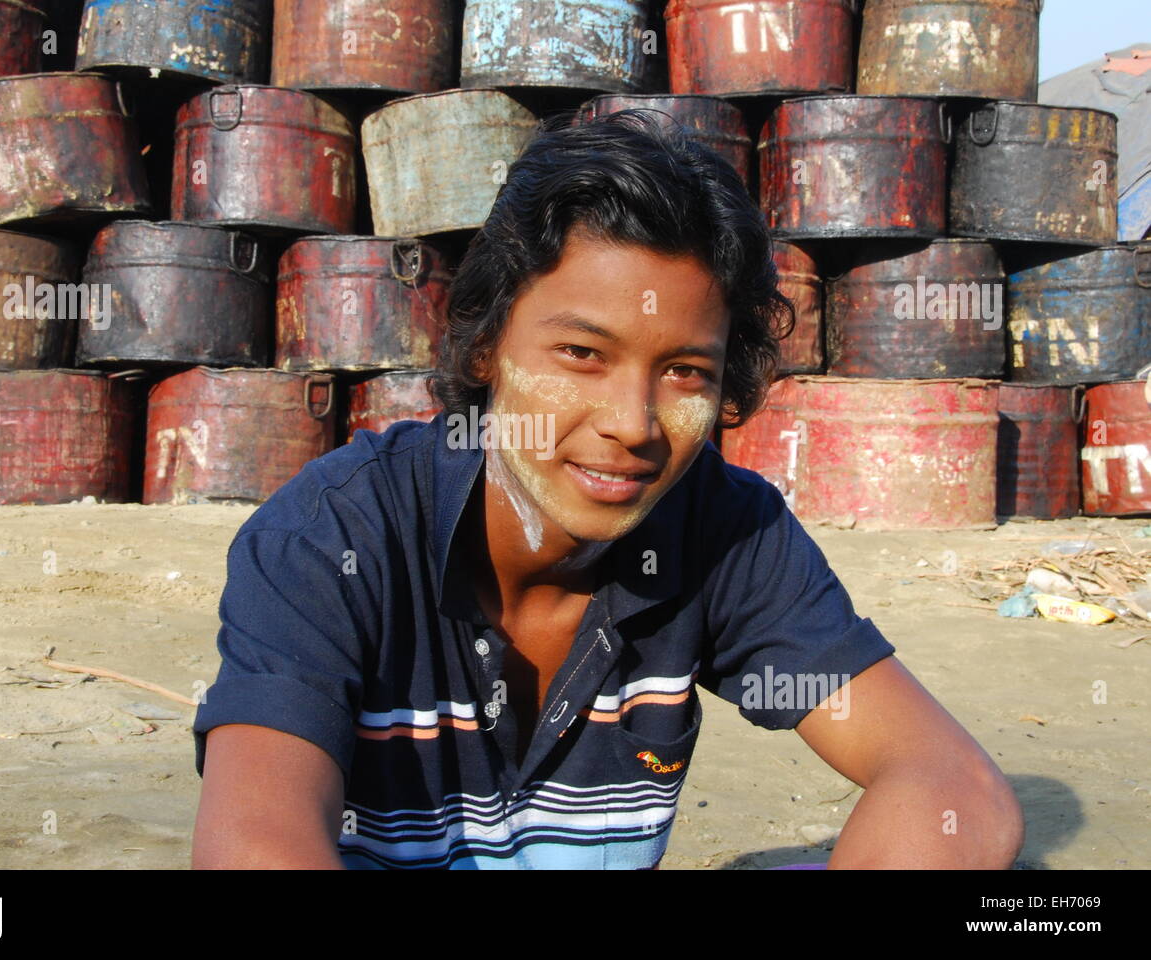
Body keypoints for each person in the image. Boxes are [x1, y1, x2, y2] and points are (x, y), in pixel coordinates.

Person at [190, 109, 1025, 870]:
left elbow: (954, 790)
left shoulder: (723, 536)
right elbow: (254, 847)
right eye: (582, 356)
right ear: (485, 346)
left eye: (685, 371)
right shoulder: (333, 540)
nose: (634, 424)